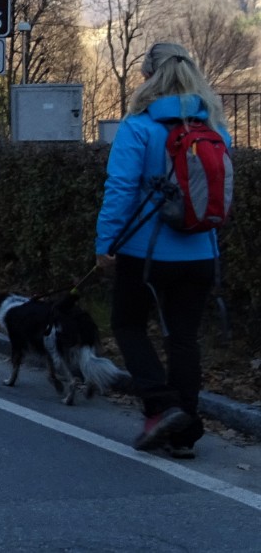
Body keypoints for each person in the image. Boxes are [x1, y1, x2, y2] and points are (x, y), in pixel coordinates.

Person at [94, 42, 232, 459]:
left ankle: (162, 405)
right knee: (184, 338)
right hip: (201, 252)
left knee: (128, 324)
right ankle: (184, 432)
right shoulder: (216, 127)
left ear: (147, 77)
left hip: (146, 253)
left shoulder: (138, 127)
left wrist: (105, 245)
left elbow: (119, 189)